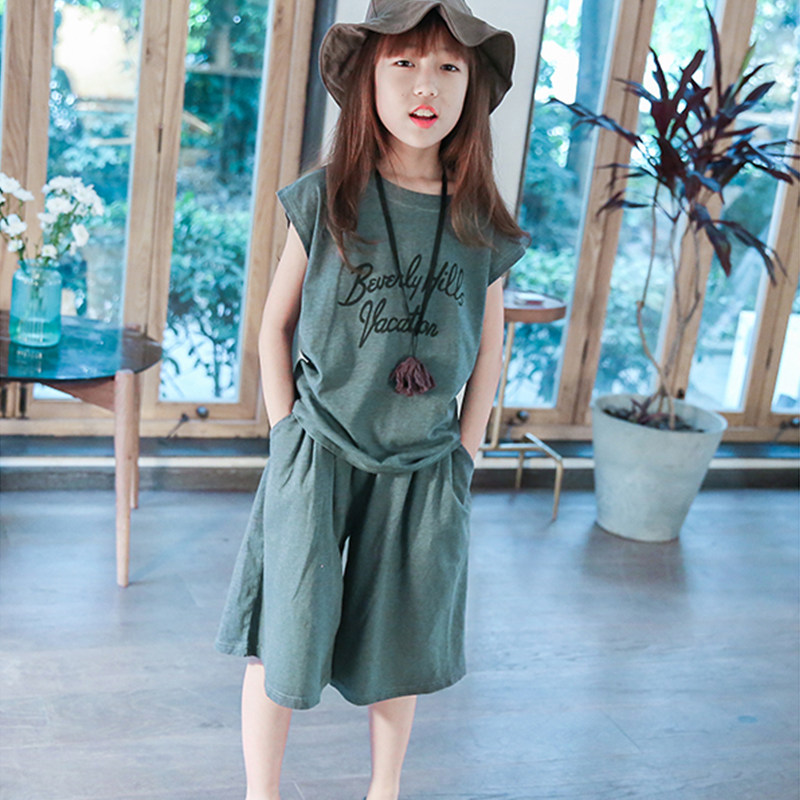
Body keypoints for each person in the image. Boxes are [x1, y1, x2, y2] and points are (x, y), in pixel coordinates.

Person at [214, 2, 527, 798]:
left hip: (423, 464)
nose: (427, 86)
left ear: (472, 86)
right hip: (318, 451)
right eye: (405, 63)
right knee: (285, 628)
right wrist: (286, 433)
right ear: (368, 80)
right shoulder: (328, 197)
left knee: (398, 643)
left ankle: (383, 789)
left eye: (449, 67)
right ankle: (262, 792)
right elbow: (273, 327)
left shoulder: (481, 220)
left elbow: (490, 350)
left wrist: (467, 453)